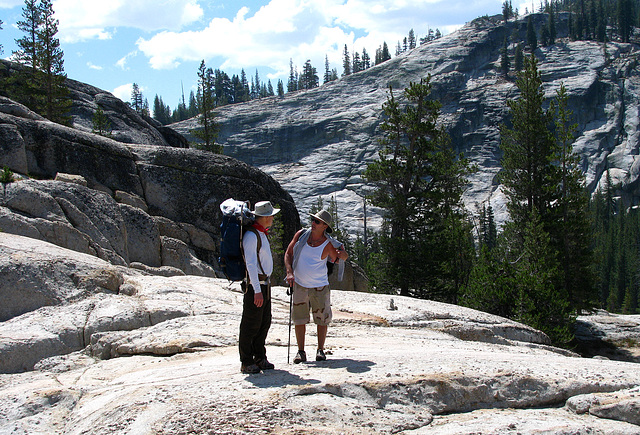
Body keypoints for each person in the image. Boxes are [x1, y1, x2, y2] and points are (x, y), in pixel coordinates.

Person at [284, 209, 349, 363]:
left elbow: (338, 259)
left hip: (319, 286)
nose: (313, 223)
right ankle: (301, 351)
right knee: (299, 319)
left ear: (325, 226)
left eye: (317, 222)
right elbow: (288, 253)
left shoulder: (328, 244)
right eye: (313, 220)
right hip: (299, 284)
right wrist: (289, 272)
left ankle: (320, 350)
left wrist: (343, 255)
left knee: (322, 319)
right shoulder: (301, 235)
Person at [239, 200, 280, 374]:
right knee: (251, 324)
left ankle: (259, 357)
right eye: (270, 215)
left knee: (264, 322)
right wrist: (256, 290)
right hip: (256, 286)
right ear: (263, 217)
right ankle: (246, 361)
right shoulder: (251, 236)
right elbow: (250, 264)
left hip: (265, 285)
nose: (272, 218)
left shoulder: (261, 234)